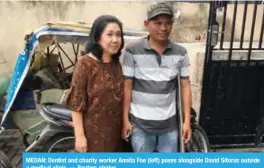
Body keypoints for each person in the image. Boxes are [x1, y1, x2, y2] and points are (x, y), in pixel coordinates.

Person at [122, 2, 192, 152]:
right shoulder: (132, 50)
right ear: (147, 24)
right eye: (158, 23)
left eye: (167, 23)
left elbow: (185, 86)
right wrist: (125, 120)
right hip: (140, 126)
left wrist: (187, 122)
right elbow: (127, 86)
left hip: (169, 127)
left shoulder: (181, 52)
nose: (163, 28)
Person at [66, 15, 124, 152]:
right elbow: (76, 103)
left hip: (116, 134)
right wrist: (80, 137)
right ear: (98, 38)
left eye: (118, 35)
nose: (115, 40)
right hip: (93, 135)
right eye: (109, 35)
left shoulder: (116, 63)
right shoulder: (85, 64)